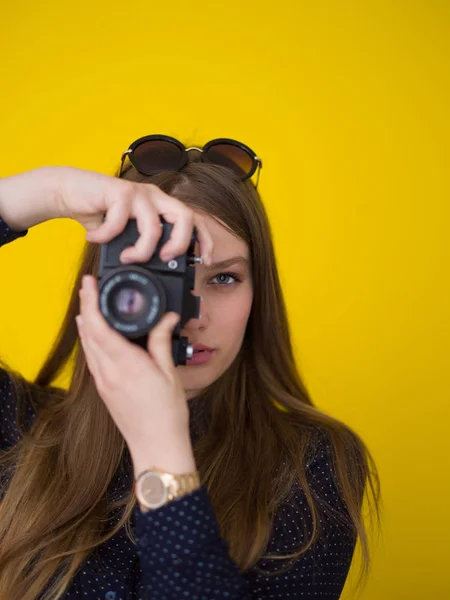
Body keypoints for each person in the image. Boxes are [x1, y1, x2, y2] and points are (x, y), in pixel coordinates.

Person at [0, 135, 381, 600]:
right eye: (164, 276)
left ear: (258, 294)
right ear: (103, 287)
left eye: (224, 278)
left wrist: (160, 449)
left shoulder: (309, 467)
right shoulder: (20, 427)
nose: (192, 316)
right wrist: (43, 193)